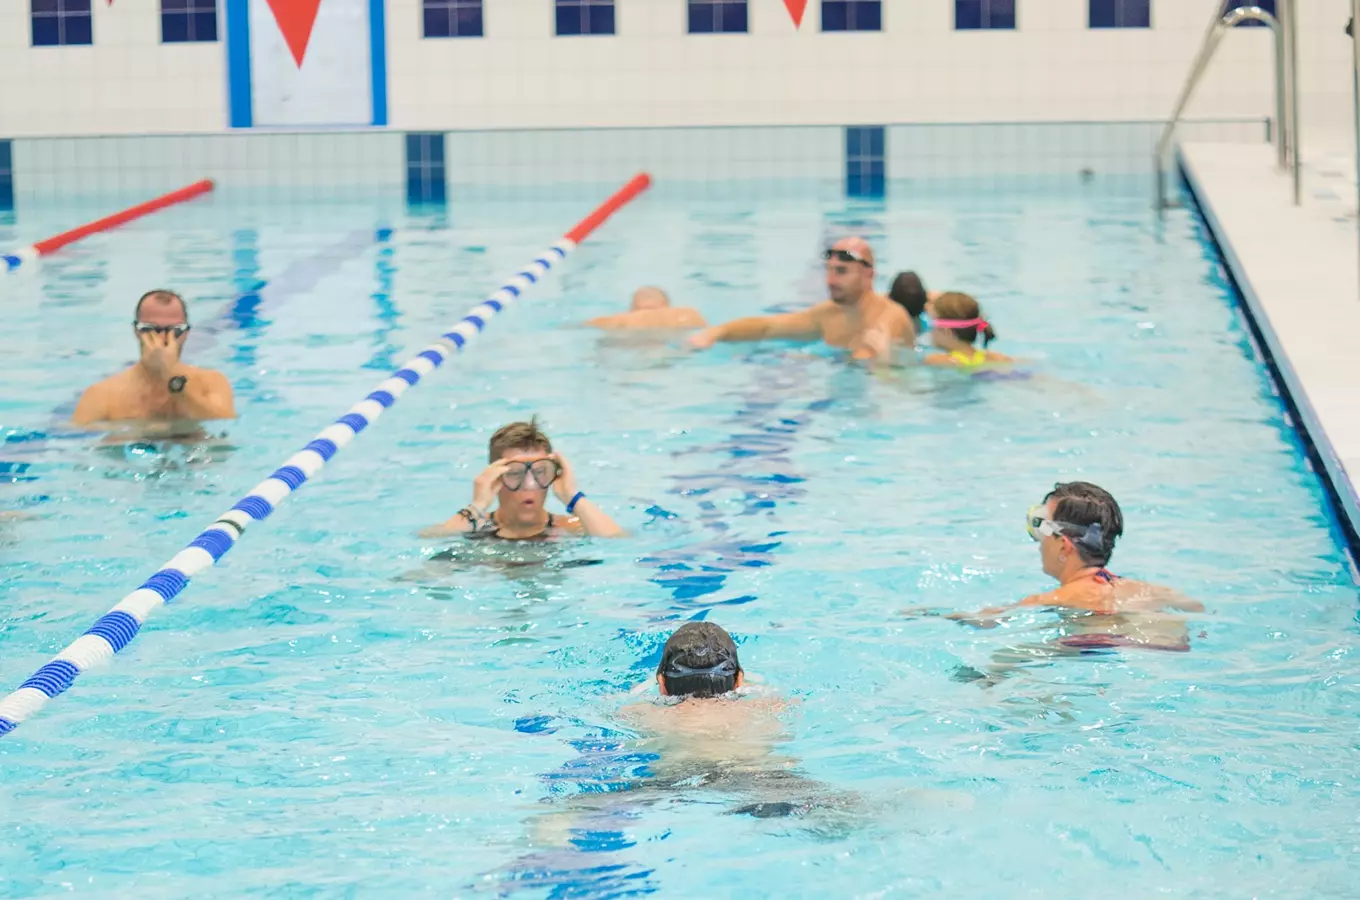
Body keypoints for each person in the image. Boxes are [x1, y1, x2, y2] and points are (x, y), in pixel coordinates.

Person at [913, 483, 1204, 683]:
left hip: (1094, 649)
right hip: (1163, 651)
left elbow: (985, 620)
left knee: (983, 672)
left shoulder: (1052, 599)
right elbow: (1198, 613)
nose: (1039, 545)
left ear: (1064, 546)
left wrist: (935, 615)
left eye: (1040, 532)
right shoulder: (1157, 592)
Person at [686, 237, 913, 362]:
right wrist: (716, 333)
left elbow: (874, 368)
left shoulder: (889, 318)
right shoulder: (827, 314)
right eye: (829, 270)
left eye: (841, 272)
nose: (830, 280)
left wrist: (815, 360)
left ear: (868, 275)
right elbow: (767, 327)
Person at [419, 418, 623, 540]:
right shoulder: (474, 529)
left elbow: (618, 544)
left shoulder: (568, 528)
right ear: (495, 478)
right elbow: (428, 540)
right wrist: (478, 505)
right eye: (516, 473)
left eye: (540, 472)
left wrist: (571, 496)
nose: (530, 485)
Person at [72, 290, 236, 428]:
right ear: (137, 332)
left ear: (186, 333)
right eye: (151, 330)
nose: (163, 339)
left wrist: (171, 377)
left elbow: (224, 423)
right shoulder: (102, 395)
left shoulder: (211, 382)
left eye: (174, 331)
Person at [921, 291, 1012, 368]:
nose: (930, 332)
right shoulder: (996, 358)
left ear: (946, 331)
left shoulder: (936, 360)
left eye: (931, 323)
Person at [585, 286, 706, 330]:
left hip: (632, 353)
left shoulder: (619, 320)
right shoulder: (690, 314)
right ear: (667, 304)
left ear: (632, 308)